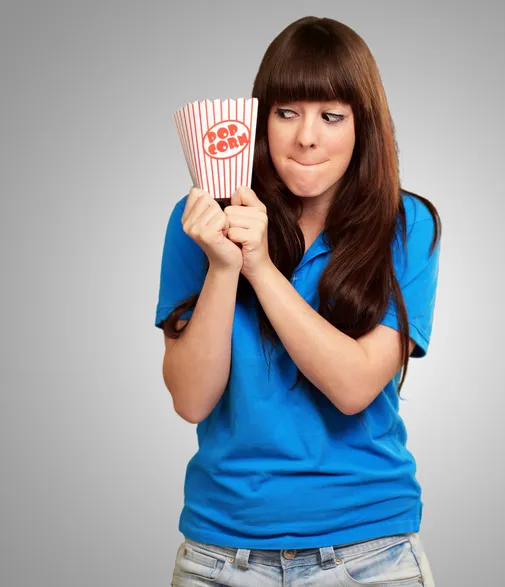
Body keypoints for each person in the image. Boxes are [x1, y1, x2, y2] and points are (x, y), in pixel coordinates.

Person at [155, 15, 442, 587]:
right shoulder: (200, 221)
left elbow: (354, 387)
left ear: (364, 128)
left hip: (371, 553)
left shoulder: (405, 226)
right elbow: (191, 398)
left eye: (331, 116)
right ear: (260, 121)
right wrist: (223, 265)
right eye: (287, 113)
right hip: (220, 554)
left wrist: (259, 268)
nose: (306, 136)